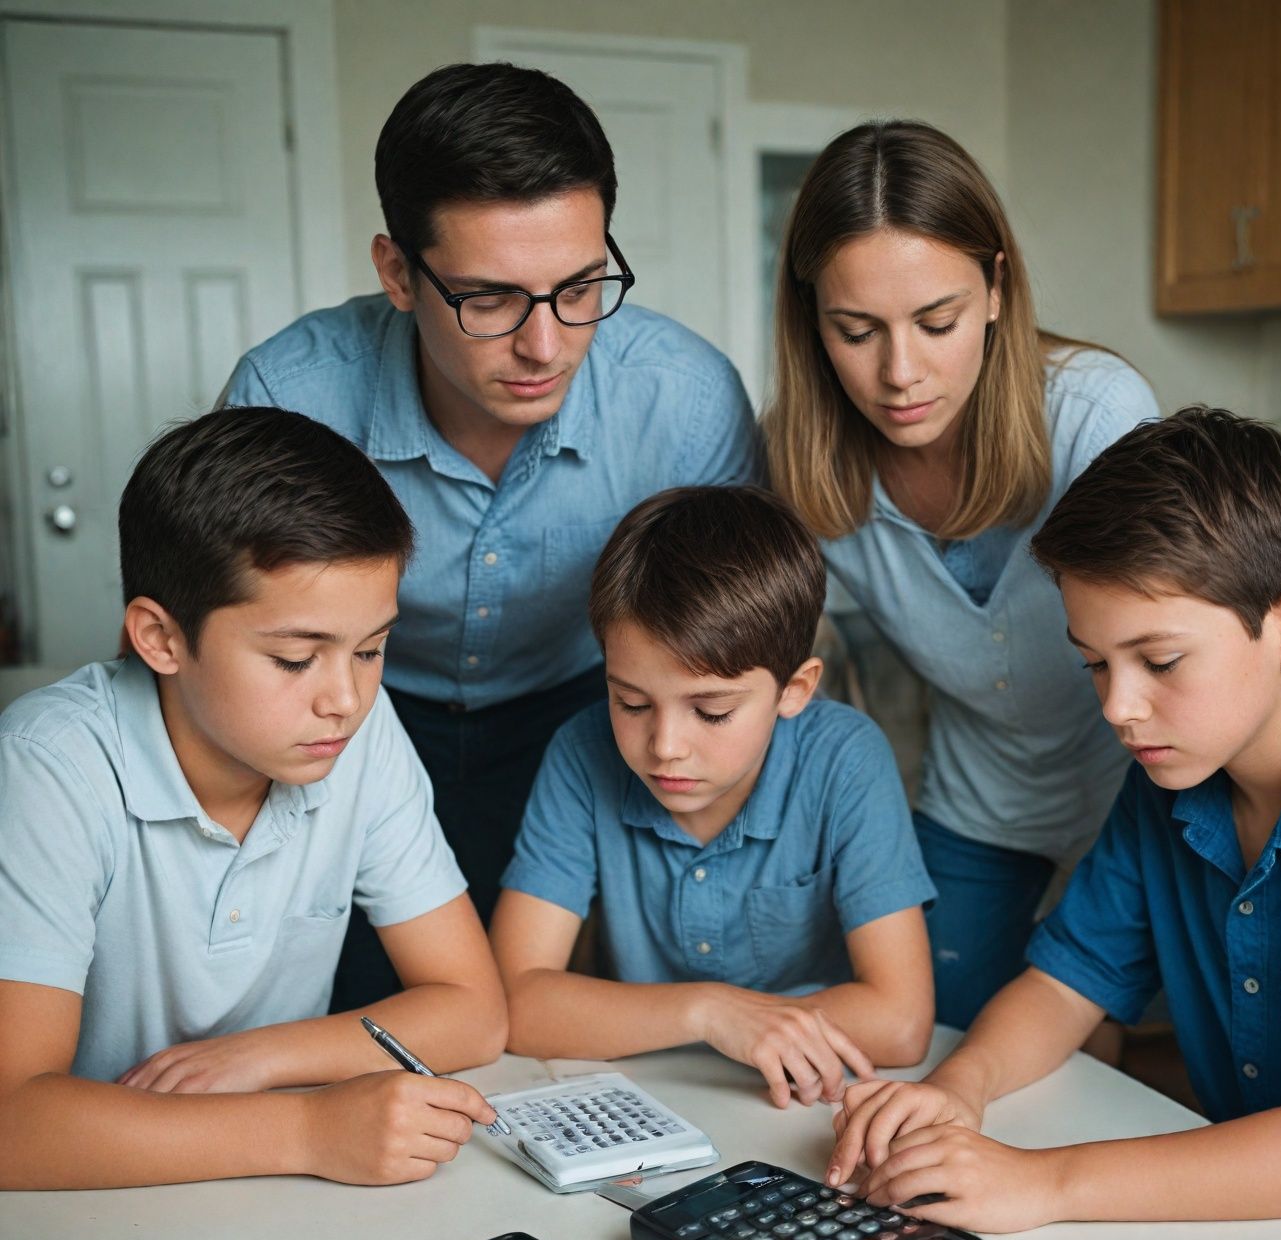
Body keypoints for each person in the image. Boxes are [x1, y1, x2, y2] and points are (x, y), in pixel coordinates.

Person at [825, 407, 1281, 1240]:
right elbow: (1064, 983)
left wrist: (1047, 1180)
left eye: (1159, 662)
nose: (1118, 708)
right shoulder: (1175, 770)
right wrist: (956, 1091)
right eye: (1096, 663)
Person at [223, 62, 759, 1007]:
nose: (545, 345)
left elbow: (738, 643)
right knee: (351, 1002)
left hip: (580, 714)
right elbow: (207, 650)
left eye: (582, 286)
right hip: (349, 719)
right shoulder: (290, 394)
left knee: (551, 1016)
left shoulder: (684, 400)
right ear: (397, 272)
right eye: (490, 299)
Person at [0, 408, 507, 1189]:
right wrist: (308, 1129)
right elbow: (12, 1121)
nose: (345, 698)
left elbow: (474, 1010)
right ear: (161, 639)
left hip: (265, 1198)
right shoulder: (50, 765)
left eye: (371, 650)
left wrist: (262, 1056)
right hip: (89, 1203)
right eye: (296, 659)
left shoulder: (358, 739)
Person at [764, 120, 1159, 1029]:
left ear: (995, 287)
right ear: (811, 320)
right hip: (982, 794)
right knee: (943, 1034)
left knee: (1145, 1053)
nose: (901, 374)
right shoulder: (798, 458)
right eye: (856, 331)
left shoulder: (1094, 415)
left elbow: (1173, 633)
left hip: (1142, 783)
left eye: (935, 322)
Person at [491, 485, 937, 1108]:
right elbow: (512, 1005)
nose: (665, 746)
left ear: (795, 689)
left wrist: (725, 1024)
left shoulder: (844, 758)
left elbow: (900, 1022)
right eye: (632, 702)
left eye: (712, 711)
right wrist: (710, 1013)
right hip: (644, 1099)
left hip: (807, 1103)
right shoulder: (579, 750)